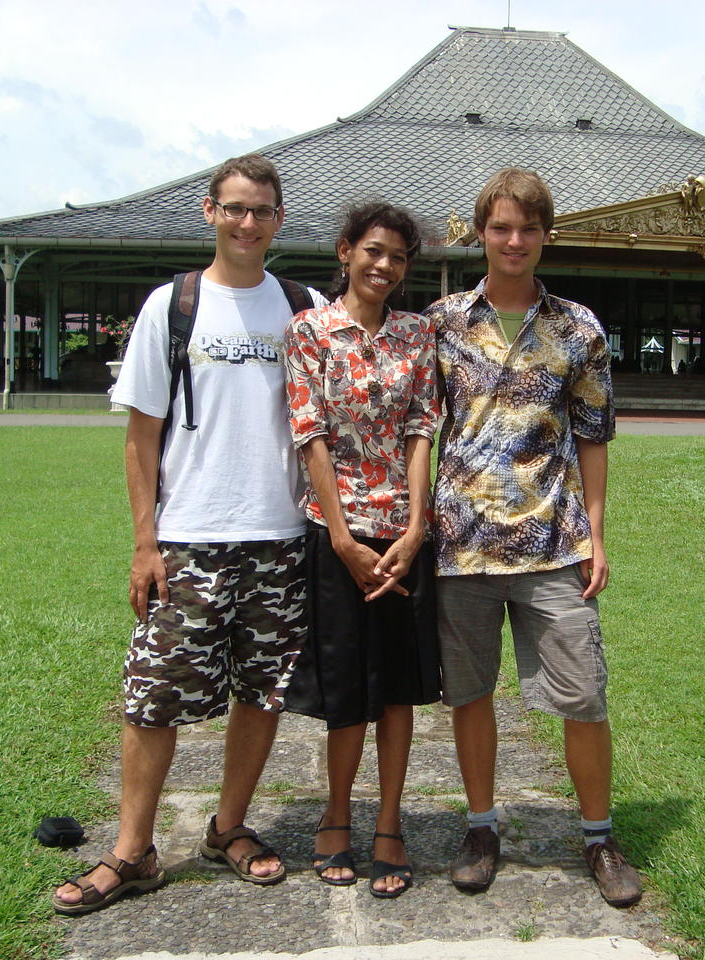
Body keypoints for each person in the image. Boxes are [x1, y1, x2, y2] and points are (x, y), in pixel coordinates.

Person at [53, 154, 323, 915]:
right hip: (190, 537)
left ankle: (229, 826)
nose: (247, 222)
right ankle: (131, 849)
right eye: (234, 208)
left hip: (280, 535)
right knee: (154, 695)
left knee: (263, 691)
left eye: (261, 210)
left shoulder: (302, 308)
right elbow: (141, 436)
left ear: (278, 220)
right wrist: (146, 543)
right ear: (209, 212)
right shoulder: (171, 307)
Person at [424, 167, 642, 908]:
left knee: (583, 695)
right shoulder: (444, 323)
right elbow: (421, 427)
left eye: (527, 228)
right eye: (500, 227)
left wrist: (598, 535)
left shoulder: (578, 328)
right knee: (470, 693)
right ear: (480, 233)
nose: (513, 240)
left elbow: (595, 436)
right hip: (463, 543)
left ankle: (599, 837)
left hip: (554, 542)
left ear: (547, 235)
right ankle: (481, 828)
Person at [282, 202, 441, 899]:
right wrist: (343, 538)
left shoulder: (417, 333)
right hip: (336, 533)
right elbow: (309, 432)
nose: (385, 266)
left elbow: (421, 430)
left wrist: (415, 528)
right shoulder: (310, 332)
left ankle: (390, 823)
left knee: (399, 688)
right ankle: (337, 815)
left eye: (398, 257)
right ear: (346, 251)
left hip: (402, 537)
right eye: (373, 251)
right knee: (347, 686)